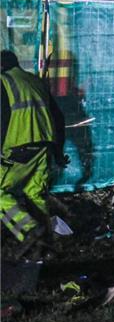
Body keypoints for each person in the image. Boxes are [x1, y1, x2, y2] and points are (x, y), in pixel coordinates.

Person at [1, 50, 66, 259]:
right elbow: (58, 118)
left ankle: (29, 230)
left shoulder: (3, 83)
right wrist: (58, 153)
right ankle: (46, 247)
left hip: (17, 150)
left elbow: (2, 121)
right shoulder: (35, 81)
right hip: (44, 149)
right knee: (34, 193)